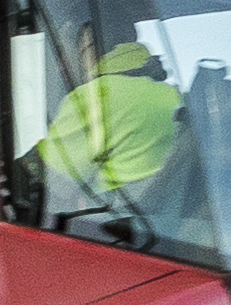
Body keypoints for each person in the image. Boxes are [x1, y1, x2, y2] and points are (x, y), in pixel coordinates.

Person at [34, 36, 189, 217]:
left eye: (84, 49)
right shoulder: (174, 94)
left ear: (99, 51)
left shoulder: (92, 97)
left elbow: (55, 177)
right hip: (173, 216)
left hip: (114, 219)